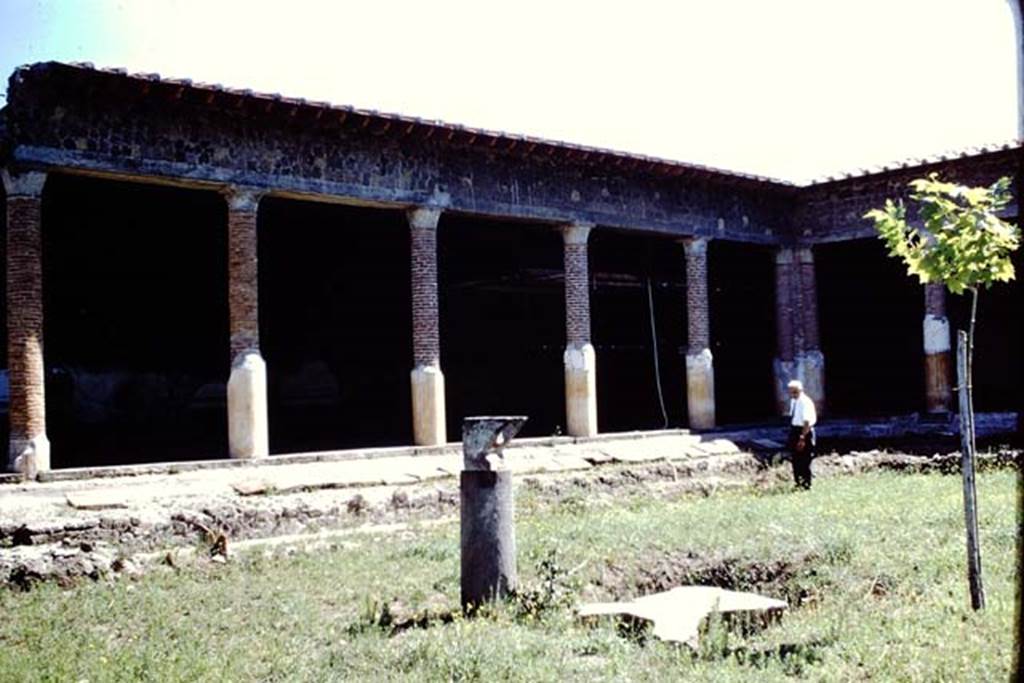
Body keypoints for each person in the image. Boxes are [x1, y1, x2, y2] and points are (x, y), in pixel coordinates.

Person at [787, 379, 817, 489]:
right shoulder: (794, 401)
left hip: (804, 431)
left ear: (801, 390)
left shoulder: (805, 402)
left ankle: (806, 484)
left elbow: (807, 422)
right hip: (795, 430)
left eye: (795, 392)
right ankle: (798, 483)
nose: (792, 394)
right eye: (791, 392)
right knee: (795, 458)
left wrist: (802, 438)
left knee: (805, 459)